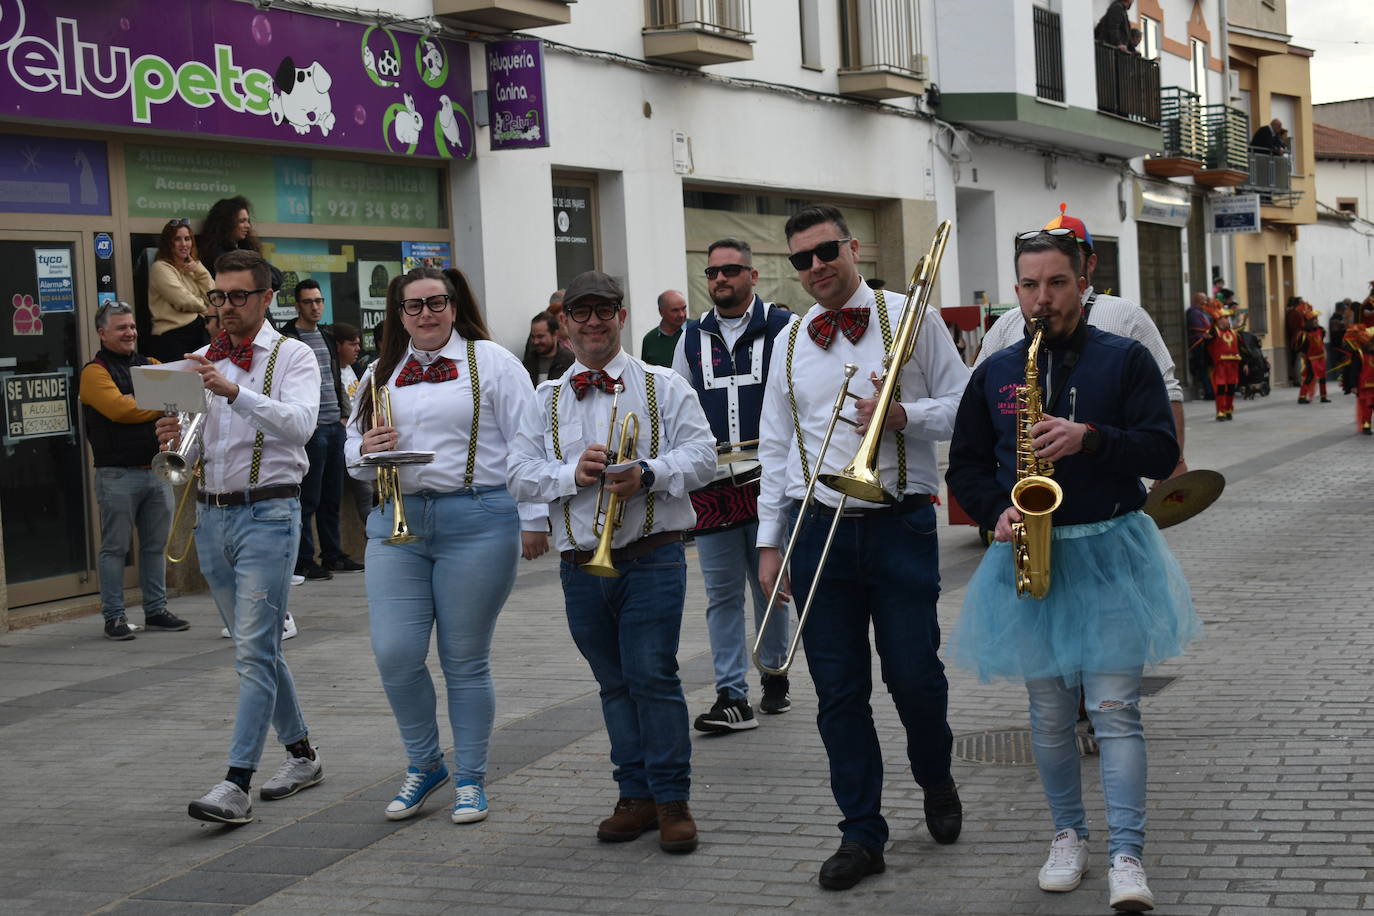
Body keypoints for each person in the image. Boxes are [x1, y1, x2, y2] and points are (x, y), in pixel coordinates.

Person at [946, 229, 1200, 914]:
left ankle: (1127, 854)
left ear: (1085, 280)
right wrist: (996, 508)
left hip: (1110, 552)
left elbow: (1159, 446)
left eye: (1056, 283)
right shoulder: (997, 369)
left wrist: (1090, 439)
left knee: (1116, 715)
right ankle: (1068, 835)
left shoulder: (1124, 360)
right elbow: (965, 462)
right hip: (1030, 555)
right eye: (1029, 286)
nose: (1041, 300)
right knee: (1050, 717)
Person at [756, 206, 969, 890]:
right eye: (802, 259)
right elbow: (777, 446)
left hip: (899, 521)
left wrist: (905, 414)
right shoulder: (788, 341)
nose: (816, 267)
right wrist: (771, 541)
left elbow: (964, 406)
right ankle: (861, 833)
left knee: (913, 676)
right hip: (818, 526)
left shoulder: (908, 314)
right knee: (837, 692)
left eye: (826, 252)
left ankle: (934, 777)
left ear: (853, 248)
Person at [508, 270, 716, 854]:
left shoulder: (665, 384)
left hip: (652, 557)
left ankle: (673, 799)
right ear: (565, 324)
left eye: (604, 311)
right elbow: (517, 473)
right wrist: (569, 474)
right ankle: (636, 796)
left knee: (652, 677)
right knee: (613, 683)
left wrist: (647, 474)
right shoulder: (544, 397)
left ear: (621, 317)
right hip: (580, 564)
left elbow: (703, 459)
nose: (593, 322)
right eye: (582, 313)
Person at [346, 266, 549, 824]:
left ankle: (471, 778)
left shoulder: (495, 364)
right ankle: (425, 764)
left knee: (463, 660)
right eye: (413, 307)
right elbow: (350, 453)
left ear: (455, 306)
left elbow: (528, 444)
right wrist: (364, 447)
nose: (426, 314)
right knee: (395, 654)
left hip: (478, 519)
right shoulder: (380, 372)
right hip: (396, 525)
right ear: (399, 315)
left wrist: (535, 518)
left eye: (436, 303)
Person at [154, 250, 323, 825]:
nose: (224, 306)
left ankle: (236, 783)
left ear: (265, 298)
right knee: (256, 649)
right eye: (218, 296)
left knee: (254, 651)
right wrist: (174, 433)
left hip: (270, 515)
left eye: (237, 296)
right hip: (212, 516)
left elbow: (302, 426)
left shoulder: (293, 354)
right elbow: (192, 453)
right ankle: (301, 755)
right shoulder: (199, 359)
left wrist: (233, 391)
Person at [671, 237, 794, 733]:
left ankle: (775, 673)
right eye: (712, 272)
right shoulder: (690, 336)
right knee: (721, 593)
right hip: (713, 480)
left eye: (730, 270)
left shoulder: (785, 328)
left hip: (771, 474)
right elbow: (679, 405)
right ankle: (730, 695)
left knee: (770, 585)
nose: (720, 279)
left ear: (753, 275)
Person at [976, 205, 1189, 482]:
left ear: (1089, 263)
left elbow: (1169, 392)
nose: (1044, 295)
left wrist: (1175, 463)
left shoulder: (1126, 315)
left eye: (1070, 255)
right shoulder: (1009, 323)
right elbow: (975, 396)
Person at [79, 301, 189, 641]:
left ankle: (155, 610)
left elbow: (179, 399)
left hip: (156, 471)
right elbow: (119, 409)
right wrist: (162, 397)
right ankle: (114, 617)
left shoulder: (151, 364)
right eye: (121, 328)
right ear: (102, 333)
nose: (130, 333)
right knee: (115, 548)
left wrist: (157, 397)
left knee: (155, 546)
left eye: (132, 326)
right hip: (117, 474)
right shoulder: (93, 372)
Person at [281, 280, 362, 580]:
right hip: (310, 429)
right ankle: (304, 559)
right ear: (297, 306)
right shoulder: (287, 338)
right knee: (308, 499)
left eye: (318, 301)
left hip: (333, 425)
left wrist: (343, 416)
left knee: (332, 497)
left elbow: (334, 378)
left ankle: (333, 554)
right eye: (308, 302)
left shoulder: (327, 338)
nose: (314, 307)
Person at [146, 218, 214, 364]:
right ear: (168, 243)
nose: (184, 244)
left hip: (198, 335)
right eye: (177, 239)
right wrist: (206, 308)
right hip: (173, 338)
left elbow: (215, 297)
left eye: (187, 239)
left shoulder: (193, 267)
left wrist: (199, 271)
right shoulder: (160, 268)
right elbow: (182, 300)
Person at [199, 196, 283, 290]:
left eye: (248, 221)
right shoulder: (217, 254)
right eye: (242, 221)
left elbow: (276, 279)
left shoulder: (246, 247)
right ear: (227, 223)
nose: (247, 226)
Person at [1343, 299, 1374, 434]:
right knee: (1366, 405)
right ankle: (1366, 424)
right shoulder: (1360, 354)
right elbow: (1354, 370)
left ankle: (1367, 424)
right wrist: (1353, 385)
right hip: (1365, 384)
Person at [523, 310, 576, 385]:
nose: (536, 341)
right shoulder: (527, 364)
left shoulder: (570, 362)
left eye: (540, 336)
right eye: (533, 337)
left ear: (555, 334)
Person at [1207, 309, 1242, 420]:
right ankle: (1220, 411)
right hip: (1221, 365)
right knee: (1220, 388)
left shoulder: (1233, 332)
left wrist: (1245, 364)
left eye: (1227, 318)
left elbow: (1240, 348)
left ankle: (1228, 409)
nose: (1227, 320)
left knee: (1231, 388)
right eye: (1224, 318)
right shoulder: (1214, 332)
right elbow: (1209, 337)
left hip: (1233, 365)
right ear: (1218, 321)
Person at [640, 289, 687, 367]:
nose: (681, 314)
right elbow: (646, 373)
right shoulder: (649, 340)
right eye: (675, 310)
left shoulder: (696, 331)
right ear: (661, 312)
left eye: (684, 308)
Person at [1294, 304, 1329, 404]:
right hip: (1311, 358)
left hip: (1320, 357)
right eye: (1314, 320)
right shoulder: (1304, 334)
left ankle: (1323, 396)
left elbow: (1321, 343)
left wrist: (1324, 352)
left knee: (1322, 377)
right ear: (1308, 322)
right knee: (1309, 377)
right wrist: (1304, 357)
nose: (1316, 321)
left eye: (1316, 319)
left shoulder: (1321, 330)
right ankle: (1302, 396)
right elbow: (1301, 348)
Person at [1186, 292, 1215, 400]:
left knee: (1208, 369)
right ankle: (1208, 391)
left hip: (1206, 345)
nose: (1206, 302)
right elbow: (1198, 330)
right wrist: (1207, 335)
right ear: (1197, 300)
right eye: (1204, 299)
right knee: (1203, 369)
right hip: (1199, 345)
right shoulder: (1194, 313)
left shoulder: (1203, 312)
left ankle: (1211, 390)